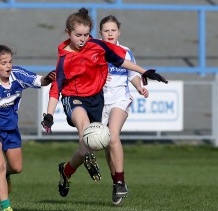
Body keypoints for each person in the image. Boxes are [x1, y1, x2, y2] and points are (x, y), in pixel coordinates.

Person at [41, 8, 167, 198]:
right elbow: (56, 87)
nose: (82, 39)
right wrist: (49, 114)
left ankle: (66, 171)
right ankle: (93, 161)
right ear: (68, 34)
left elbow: (120, 61)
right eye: (78, 35)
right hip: (73, 97)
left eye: (85, 35)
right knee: (84, 128)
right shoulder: (64, 58)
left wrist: (144, 72)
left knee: (90, 143)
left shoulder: (97, 46)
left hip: (96, 99)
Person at [0, 44, 55, 211]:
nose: (8, 66)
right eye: (3, 63)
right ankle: (6, 209)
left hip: (10, 127)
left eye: (10, 62)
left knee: (16, 167)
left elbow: (40, 81)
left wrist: (49, 78)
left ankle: (6, 176)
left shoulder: (17, 75)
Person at [99, 15, 149, 205]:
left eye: (113, 30)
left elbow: (132, 74)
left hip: (120, 99)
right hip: (100, 101)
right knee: (105, 143)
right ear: (100, 33)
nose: (110, 33)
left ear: (119, 32)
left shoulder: (126, 52)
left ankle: (120, 180)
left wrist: (139, 87)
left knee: (113, 136)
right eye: (106, 30)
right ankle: (116, 183)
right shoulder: (95, 51)